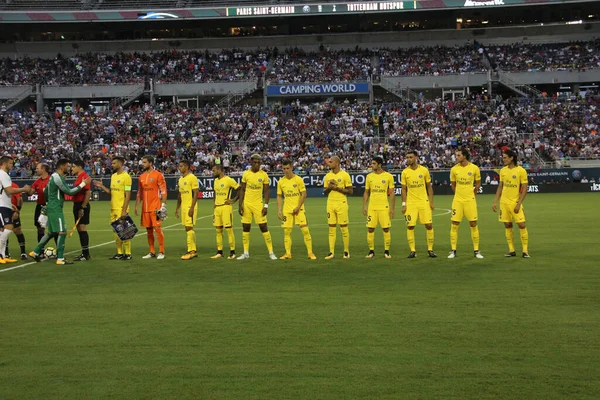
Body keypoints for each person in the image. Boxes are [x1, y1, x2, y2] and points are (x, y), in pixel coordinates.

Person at [29, 159, 91, 265]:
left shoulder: (54, 177)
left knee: (52, 232)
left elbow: (46, 193)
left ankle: (35, 252)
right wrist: (83, 183)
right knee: (62, 231)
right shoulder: (57, 177)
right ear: (62, 167)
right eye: (67, 166)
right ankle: (60, 258)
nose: (69, 168)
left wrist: (48, 204)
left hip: (52, 206)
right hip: (55, 208)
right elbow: (70, 192)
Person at [237, 154, 277, 260]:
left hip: (258, 205)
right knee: (246, 227)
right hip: (247, 204)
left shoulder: (263, 175)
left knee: (263, 227)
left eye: (259, 162)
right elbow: (242, 190)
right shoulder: (246, 174)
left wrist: (266, 205)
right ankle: (245, 253)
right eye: (255, 162)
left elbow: (267, 191)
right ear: (251, 162)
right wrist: (240, 205)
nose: (257, 164)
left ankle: (271, 252)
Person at [492, 149, 530, 258]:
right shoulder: (503, 171)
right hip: (504, 203)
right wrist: (495, 201)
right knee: (507, 225)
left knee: (522, 225)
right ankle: (511, 250)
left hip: (514, 202)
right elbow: (500, 186)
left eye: (505, 158)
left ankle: (525, 251)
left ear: (511, 158)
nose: (503, 160)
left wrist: (519, 203)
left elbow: (524, 188)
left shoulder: (521, 171)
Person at [93, 156, 133, 260]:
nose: (112, 165)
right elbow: (112, 192)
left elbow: (128, 195)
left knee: (125, 231)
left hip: (121, 208)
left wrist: (124, 210)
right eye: (112, 163)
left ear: (120, 164)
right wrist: (102, 186)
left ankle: (128, 254)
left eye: (114, 163)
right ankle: (119, 253)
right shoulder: (113, 176)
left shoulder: (126, 177)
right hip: (113, 208)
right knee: (116, 232)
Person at [277, 159, 316, 260]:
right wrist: (279, 210)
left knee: (305, 230)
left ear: (292, 168)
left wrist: (298, 207)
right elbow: (279, 196)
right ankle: (288, 253)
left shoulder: (298, 180)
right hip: (287, 210)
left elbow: (304, 194)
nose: (286, 170)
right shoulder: (281, 182)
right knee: (287, 232)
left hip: (299, 209)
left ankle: (310, 253)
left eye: (288, 168)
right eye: (284, 168)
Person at [448, 148, 484, 259]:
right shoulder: (454, 169)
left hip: (470, 201)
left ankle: (476, 251)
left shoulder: (474, 168)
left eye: (458, 155)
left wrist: (473, 194)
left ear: (464, 156)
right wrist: (458, 194)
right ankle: (453, 250)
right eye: (456, 155)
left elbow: (478, 183)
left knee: (473, 224)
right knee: (454, 225)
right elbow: (453, 184)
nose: (456, 157)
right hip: (458, 201)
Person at [401, 151, 437, 258]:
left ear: (416, 157)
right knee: (410, 226)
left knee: (429, 225)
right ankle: (412, 251)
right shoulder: (405, 172)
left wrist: (431, 201)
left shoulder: (424, 170)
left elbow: (429, 187)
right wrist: (404, 204)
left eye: (411, 157)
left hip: (423, 202)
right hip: (411, 203)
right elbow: (403, 189)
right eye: (407, 157)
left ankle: (430, 249)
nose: (409, 159)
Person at [135, 156, 167, 260]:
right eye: (142, 162)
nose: (142, 164)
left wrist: (163, 205)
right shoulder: (141, 177)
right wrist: (137, 206)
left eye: (144, 162)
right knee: (148, 230)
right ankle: (152, 251)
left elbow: (163, 191)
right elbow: (139, 192)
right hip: (145, 208)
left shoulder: (158, 175)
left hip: (155, 207)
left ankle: (161, 251)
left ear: (151, 163)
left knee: (157, 229)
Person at [362, 156, 395, 259]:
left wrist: (392, 208)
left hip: (384, 207)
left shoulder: (388, 176)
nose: (372, 165)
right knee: (370, 229)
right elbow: (366, 192)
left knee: (386, 229)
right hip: (372, 207)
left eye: (373, 163)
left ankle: (387, 251)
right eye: (372, 163)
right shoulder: (369, 177)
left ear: (379, 164)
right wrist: (364, 206)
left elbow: (392, 193)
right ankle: (371, 251)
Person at [0, 156, 31, 264]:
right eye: (10, 163)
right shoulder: (3, 174)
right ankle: (0, 254)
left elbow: (5, 192)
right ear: (4, 163)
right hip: (2, 206)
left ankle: (3, 256)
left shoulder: (3, 174)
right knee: (8, 228)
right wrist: (24, 189)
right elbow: (10, 190)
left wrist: (11, 204)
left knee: (3, 230)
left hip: (5, 205)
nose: (12, 165)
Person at [323, 156, 353, 259]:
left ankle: (346, 251)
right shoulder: (328, 176)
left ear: (337, 163)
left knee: (344, 228)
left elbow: (350, 191)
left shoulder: (345, 175)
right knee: (331, 229)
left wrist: (337, 188)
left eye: (331, 162)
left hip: (341, 203)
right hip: (330, 204)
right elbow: (325, 192)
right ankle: (331, 252)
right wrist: (329, 188)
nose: (329, 163)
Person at [211, 164, 239, 259]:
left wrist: (233, 200)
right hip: (217, 208)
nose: (213, 172)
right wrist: (214, 204)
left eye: (214, 170)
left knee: (228, 230)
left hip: (226, 207)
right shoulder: (215, 181)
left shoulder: (229, 180)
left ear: (220, 170)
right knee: (218, 230)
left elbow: (240, 189)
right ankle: (219, 252)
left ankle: (232, 252)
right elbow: (215, 193)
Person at [175, 160, 199, 260]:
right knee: (187, 228)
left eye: (181, 166)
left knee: (189, 228)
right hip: (184, 207)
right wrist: (177, 208)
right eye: (179, 166)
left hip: (190, 206)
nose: (179, 168)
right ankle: (193, 250)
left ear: (187, 167)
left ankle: (191, 251)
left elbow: (196, 194)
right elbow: (180, 195)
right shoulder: (180, 179)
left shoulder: (192, 178)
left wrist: (192, 207)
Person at [71, 160, 92, 261]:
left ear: (80, 167)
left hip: (81, 204)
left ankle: (85, 254)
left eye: (74, 166)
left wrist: (83, 207)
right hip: (77, 204)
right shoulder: (79, 177)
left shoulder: (84, 177)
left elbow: (88, 193)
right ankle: (84, 253)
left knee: (82, 228)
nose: (72, 168)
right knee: (80, 229)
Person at [5, 182, 28, 260]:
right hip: (3, 211)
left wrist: (17, 211)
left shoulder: (13, 185)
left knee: (17, 231)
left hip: (13, 211)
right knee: (4, 232)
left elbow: (19, 199)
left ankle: (23, 252)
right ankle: (6, 253)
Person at [31, 163, 51, 243]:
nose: (36, 170)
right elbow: (30, 192)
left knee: (54, 228)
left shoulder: (51, 180)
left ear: (43, 169)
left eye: (37, 168)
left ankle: (59, 250)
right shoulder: (37, 182)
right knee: (39, 228)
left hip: (50, 206)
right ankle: (40, 250)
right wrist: (25, 189)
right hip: (40, 206)